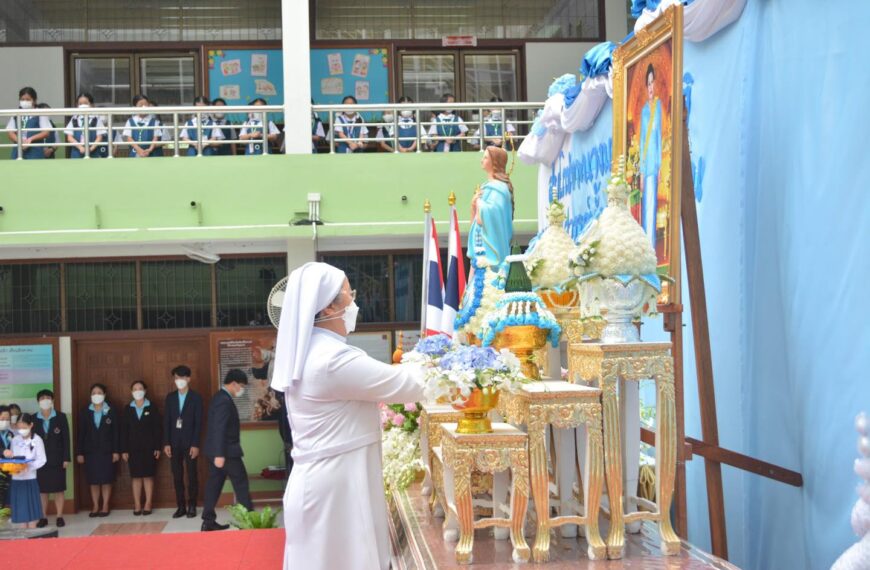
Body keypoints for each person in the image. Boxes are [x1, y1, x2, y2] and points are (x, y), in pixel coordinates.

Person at [272, 262, 425, 570]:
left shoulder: (314, 351)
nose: (354, 303)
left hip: (325, 481)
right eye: (349, 294)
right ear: (329, 306)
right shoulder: (331, 360)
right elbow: (410, 385)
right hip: (335, 491)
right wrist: (458, 368)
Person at [457, 146, 514, 333]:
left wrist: (479, 203)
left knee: (486, 296)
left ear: (494, 162)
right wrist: (474, 204)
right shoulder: (487, 187)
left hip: (491, 254)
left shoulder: (499, 188)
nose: (482, 160)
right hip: (480, 254)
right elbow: (476, 219)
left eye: (485, 157)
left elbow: (490, 216)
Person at [201, 369, 254, 531]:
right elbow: (219, 428)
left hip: (220, 451)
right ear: (234, 384)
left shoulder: (220, 397)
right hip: (226, 452)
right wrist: (219, 454)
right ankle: (249, 521)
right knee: (241, 483)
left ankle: (208, 521)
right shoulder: (223, 400)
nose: (242, 390)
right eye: (242, 386)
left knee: (214, 484)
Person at [163, 364, 203, 518]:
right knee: (177, 475)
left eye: (181, 377)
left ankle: (192, 505)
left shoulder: (196, 398)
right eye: (176, 378)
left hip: (190, 443)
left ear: (188, 379)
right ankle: (181, 506)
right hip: (174, 443)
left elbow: (198, 422)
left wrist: (195, 444)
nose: (179, 380)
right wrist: (166, 442)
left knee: (192, 474)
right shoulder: (170, 397)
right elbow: (166, 421)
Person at [76, 383, 119, 517]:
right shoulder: (85, 412)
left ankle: (105, 505)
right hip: (90, 452)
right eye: (94, 393)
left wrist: (116, 451)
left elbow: (116, 432)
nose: (96, 395)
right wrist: (79, 452)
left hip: (107, 451)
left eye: (99, 392)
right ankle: (95, 505)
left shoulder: (112, 410)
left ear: (104, 395)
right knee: (93, 480)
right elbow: (80, 434)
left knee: (106, 479)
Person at [120, 380, 162, 516]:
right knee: (136, 477)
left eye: (140, 388)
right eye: (135, 389)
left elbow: (157, 429)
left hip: (149, 448)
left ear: (145, 390)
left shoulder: (152, 407)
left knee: (148, 476)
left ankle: (148, 503)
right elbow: (124, 431)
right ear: (131, 392)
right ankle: (137, 504)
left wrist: (157, 447)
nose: (138, 391)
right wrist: (124, 449)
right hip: (133, 449)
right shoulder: (128, 408)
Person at [32, 390, 70, 528]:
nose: (45, 400)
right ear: (38, 401)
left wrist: (66, 457)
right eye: (42, 398)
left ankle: (59, 516)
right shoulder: (33, 418)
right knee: (43, 490)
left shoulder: (60, 417)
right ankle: (43, 517)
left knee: (59, 489)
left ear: (53, 400)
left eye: (48, 397)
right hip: (40, 461)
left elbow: (66, 439)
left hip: (58, 459)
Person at [2, 414, 46, 528]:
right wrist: (13, 466)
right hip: (17, 480)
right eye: (19, 427)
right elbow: (11, 457)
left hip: (30, 479)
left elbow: (42, 459)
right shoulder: (15, 440)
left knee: (32, 515)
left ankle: (33, 537)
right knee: (21, 515)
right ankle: (23, 541)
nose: (21, 430)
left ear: (31, 425)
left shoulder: (37, 439)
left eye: (24, 427)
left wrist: (28, 467)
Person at [639, 62, 662, 251]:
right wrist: (640, 170)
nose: (651, 87)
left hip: (654, 164)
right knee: (644, 207)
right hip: (645, 165)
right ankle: (645, 248)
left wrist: (660, 164)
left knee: (652, 206)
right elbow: (641, 142)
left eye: (653, 82)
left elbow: (659, 135)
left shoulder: (658, 107)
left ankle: (651, 247)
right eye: (648, 83)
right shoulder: (644, 111)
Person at [5, 87, 53, 159]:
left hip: (35, 151)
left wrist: (30, 139)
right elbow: (10, 132)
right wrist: (20, 141)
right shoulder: (16, 114)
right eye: (22, 99)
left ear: (34, 100)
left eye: (28, 99)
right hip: (18, 151)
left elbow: (46, 132)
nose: (25, 102)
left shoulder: (40, 113)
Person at [65, 92, 108, 159]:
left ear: (91, 105)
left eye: (85, 103)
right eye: (80, 104)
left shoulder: (96, 119)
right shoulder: (74, 119)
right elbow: (69, 137)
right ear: (77, 106)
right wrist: (80, 147)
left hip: (93, 154)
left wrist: (90, 149)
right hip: (76, 154)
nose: (83, 106)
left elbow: (99, 137)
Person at [0, 406, 12, 507]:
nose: (5, 421)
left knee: (7, 493)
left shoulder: (10, 434)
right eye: (2, 419)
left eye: (7, 419)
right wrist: (3, 451)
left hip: (8, 469)